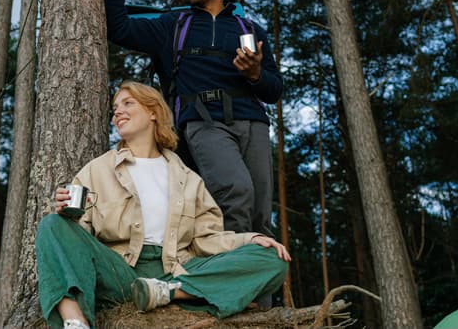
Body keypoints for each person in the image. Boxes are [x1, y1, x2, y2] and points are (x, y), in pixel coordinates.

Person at [35, 81, 289, 329]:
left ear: (153, 112)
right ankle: (75, 321)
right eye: (115, 108)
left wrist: (249, 240)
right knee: (52, 224)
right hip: (120, 272)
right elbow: (77, 242)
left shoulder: (188, 179)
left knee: (273, 258)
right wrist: (68, 214)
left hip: (177, 271)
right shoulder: (97, 170)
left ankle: (168, 293)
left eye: (127, 103)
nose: (117, 112)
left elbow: (207, 239)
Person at [90, 0, 283, 238]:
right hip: (203, 121)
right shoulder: (173, 25)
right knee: (235, 192)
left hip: (253, 122)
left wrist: (255, 73)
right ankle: (230, 270)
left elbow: (274, 91)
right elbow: (119, 29)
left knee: (259, 211)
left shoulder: (251, 30)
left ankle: (264, 278)